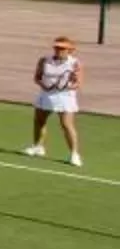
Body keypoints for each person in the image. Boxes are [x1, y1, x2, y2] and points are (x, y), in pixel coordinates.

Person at [28, 36, 84, 168]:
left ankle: (74, 155)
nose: (58, 50)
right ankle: (38, 147)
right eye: (56, 47)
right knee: (39, 121)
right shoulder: (44, 60)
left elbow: (78, 83)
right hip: (46, 95)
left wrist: (66, 86)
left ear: (70, 50)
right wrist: (43, 85)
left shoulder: (75, 63)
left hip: (65, 97)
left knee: (66, 125)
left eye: (62, 48)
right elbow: (37, 78)